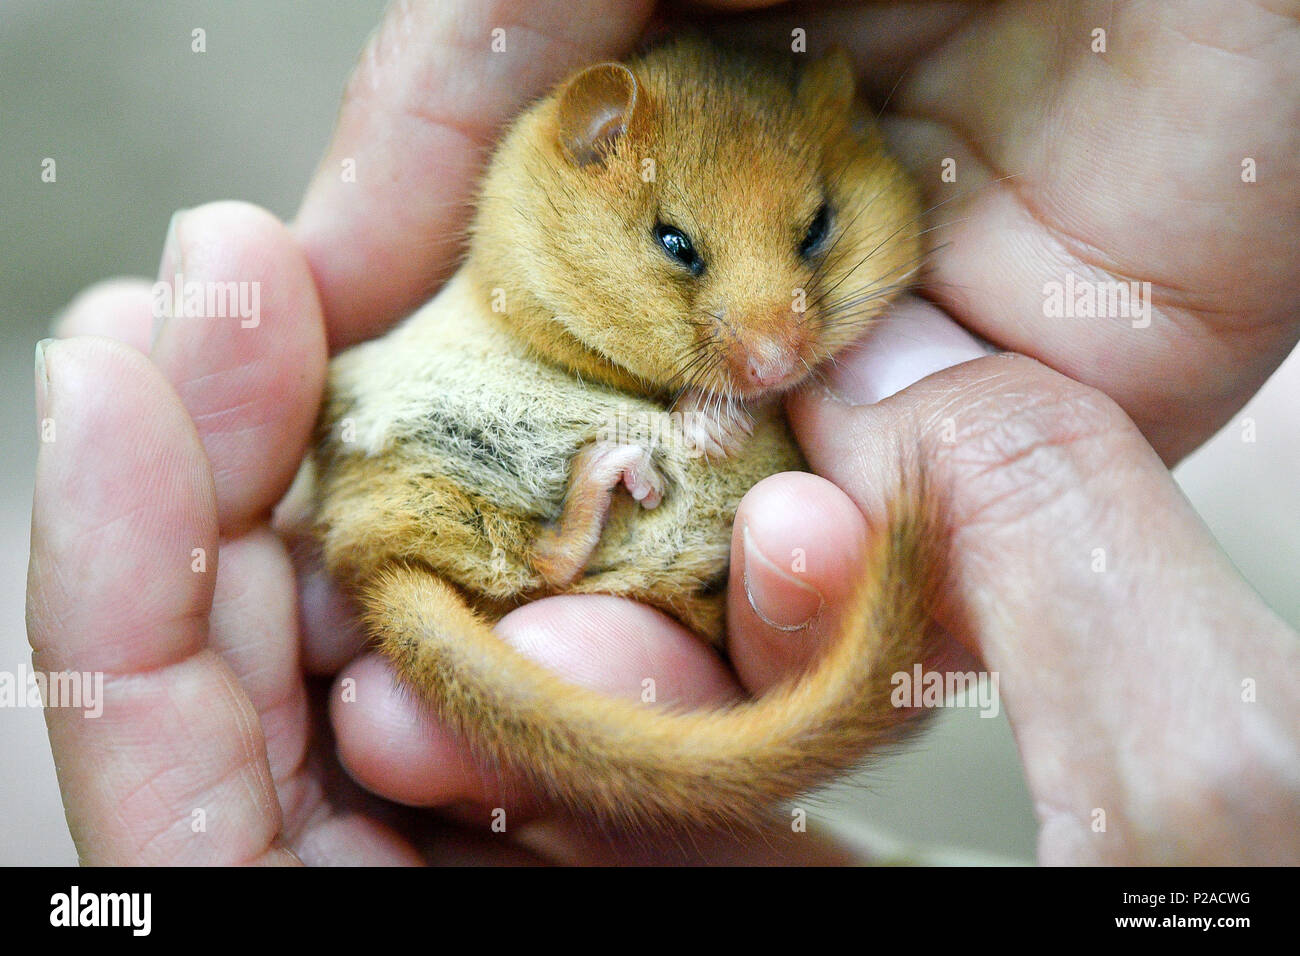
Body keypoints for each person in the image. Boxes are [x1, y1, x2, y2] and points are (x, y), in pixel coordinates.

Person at [27, 0, 1299, 864]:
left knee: (758, 555)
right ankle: (559, 533)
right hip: (455, 463)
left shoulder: (860, 158)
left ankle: (572, 538)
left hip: (562, 516)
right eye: (684, 254)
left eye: (808, 241)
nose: (771, 339)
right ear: (593, 145)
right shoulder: (557, 199)